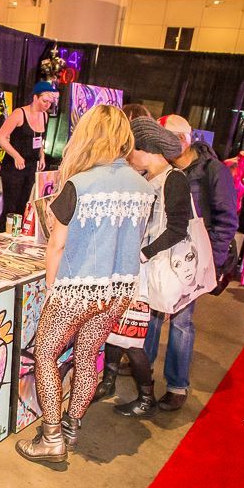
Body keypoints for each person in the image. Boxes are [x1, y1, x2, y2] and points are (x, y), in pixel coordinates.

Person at [16, 105, 154, 464]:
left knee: (45, 354)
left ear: (88, 136)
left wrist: (51, 289)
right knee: (88, 355)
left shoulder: (80, 184)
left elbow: (57, 246)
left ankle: (51, 437)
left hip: (76, 290)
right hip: (119, 290)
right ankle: (71, 427)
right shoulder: (143, 186)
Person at [96, 117, 190, 418]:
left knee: (132, 338)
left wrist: (143, 253)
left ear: (147, 150)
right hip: (133, 268)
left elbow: (178, 228)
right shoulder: (150, 178)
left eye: (132, 150)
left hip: (148, 271)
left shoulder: (174, 179)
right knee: (115, 328)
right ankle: (108, 382)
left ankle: (145, 397)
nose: (129, 157)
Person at [142, 114, 238, 411]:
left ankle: (176, 385)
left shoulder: (213, 171)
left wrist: (211, 264)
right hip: (160, 252)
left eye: (168, 139)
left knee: (181, 322)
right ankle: (143, 372)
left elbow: (226, 220)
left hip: (191, 258)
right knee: (152, 314)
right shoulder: (162, 168)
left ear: (184, 139)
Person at [0, 81, 59, 218]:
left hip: (30, 166)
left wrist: (42, 155)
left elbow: (38, 139)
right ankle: (4, 230)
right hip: (14, 167)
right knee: (10, 207)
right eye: (44, 101)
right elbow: (1, 137)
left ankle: (17, 230)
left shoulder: (44, 116)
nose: (47, 105)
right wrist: (16, 155)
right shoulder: (19, 113)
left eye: (50, 103)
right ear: (35, 97)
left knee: (22, 205)